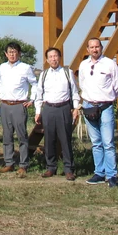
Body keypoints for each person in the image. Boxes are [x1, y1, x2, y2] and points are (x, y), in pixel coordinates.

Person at [78, 37, 118, 187]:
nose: (94, 49)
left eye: (97, 47)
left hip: (105, 107)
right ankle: (99, 172)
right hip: (89, 106)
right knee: (96, 142)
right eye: (91, 47)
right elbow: (82, 84)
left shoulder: (110, 64)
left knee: (108, 142)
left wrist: (107, 98)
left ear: (101, 47)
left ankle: (111, 176)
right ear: (87, 49)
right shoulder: (84, 65)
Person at [33, 47, 78, 181]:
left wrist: (75, 108)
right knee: (49, 139)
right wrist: (38, 112)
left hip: (64, 108)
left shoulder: (67, 72)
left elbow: (74, 92)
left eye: (55, 56)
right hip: (48, 109)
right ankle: (50, 167)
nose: (53, 59)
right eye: (50, 57)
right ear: (47, 59)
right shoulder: (44, 74)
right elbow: (39, 94)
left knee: (65, 139)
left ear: (60, 57)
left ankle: (68, 169)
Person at [0, 41, 37, 176]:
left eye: (14, 52)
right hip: (5, 105)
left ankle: (23, 164)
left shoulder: (25, 67)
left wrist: (32, 99)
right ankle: (9, 163)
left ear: (19, 53)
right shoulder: (2, 67)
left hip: (19, 105)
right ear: (6, 54)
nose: (12, 55)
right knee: (7, 136)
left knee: (22, 136)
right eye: (10, 52)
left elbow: (34, 84)